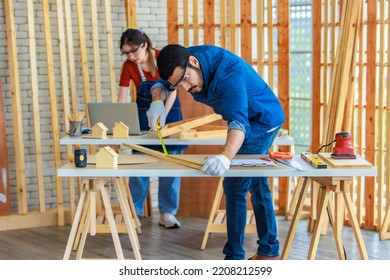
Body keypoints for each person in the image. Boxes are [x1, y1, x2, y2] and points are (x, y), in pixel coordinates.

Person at [146, 44, 285, 260]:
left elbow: (239, 123)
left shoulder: (228, 74)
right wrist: (157, 100)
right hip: (246, 121)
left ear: (193, 62)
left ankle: (234, 258)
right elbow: (164, 84)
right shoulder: (181, 62)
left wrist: (225, 156)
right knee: (257, 184)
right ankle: (269, 251)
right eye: (178, 84)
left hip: (261, 122)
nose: (184, 87)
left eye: (185, 80)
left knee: (235, 185)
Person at [118, 29, 186, 229]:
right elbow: (122, 98)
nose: (130, 57)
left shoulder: (161, 58)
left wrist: (162, 115)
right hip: (142, 117)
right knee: (139, 166)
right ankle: (134, 213)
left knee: (171, 165)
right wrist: (119, 124)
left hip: (170, 112)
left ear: (145, 45)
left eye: (133, 51)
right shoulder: (128, 67)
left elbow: (171, 89)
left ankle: (167, 213)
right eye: (126, 53)